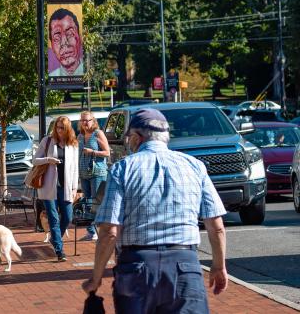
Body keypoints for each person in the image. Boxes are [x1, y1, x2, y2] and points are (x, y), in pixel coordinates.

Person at [82, 108, 228, 313]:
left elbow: (109, 231)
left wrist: (96, 279)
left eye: (129, 138)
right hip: (184, 266)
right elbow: (217, 227)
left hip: (137, 267)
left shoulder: (123, 168)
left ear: (136, 137)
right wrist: (218, 265)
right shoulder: (195, 166)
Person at [33, 114, 79, 261]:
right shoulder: (47, 141)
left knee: (68, 216)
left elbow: (75, 168)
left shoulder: (73, 144)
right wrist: (48, 159)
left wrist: (74, 188)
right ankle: (60, 251)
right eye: (58, 127)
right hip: (48, 186)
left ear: (68, 129)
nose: (60, 130)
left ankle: (55, 238)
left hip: (65, 187)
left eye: (63, 128)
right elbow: (35, 160)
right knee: (53, 217)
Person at [78, 110, 110, 241]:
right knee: (87, 201)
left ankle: (100, 231)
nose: (85, 123)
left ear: (93, 121)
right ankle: (91, 231)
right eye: (83, 120)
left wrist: (92, 152)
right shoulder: (80, 136)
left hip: (97, 172)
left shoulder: (98, 133)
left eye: (87, 120)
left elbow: (107, 152)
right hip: (84, 172)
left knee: (96, 202)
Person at [48, 8, 84, 76]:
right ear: (52, 46)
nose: (64, 43)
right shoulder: (53, 76)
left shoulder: (86, 75)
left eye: (70, 34)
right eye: (57, 39)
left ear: (79, 37)